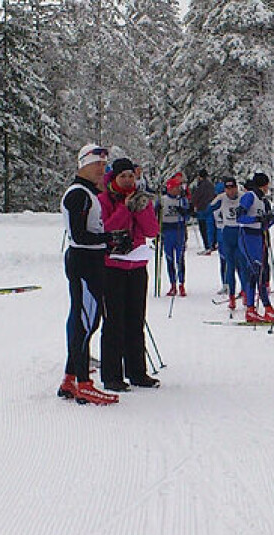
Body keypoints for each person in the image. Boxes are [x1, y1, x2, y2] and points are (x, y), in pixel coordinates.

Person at [57, 144, 119, 406]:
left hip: (90, 259)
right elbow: (80, 235)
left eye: (104, 165)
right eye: (97, 165)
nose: (102, 170)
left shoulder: (88, 193)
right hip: (83, 261)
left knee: (88, 320)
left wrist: (110, 242)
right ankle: (83, 383)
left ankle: (71, 378)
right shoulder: (78, 194)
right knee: (85, 321)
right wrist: (108, 239)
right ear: (83, 164)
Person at [97, 157, 161, 391]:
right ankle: (111, 375)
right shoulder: (103, 199)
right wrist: (126, 208)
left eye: (131, 176)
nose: (127, 180)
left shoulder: (141, 200)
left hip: (136, 266)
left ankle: (137, 372)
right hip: (112, 266)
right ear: (114, 177)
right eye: (123, 176)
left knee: (136, 320)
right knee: (114, 322)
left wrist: (141, 209)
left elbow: (152, 230)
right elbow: (107, 228)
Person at [236, 172, 274, 323]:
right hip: (247, 236)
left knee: (262, 272)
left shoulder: (263, 201)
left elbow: (265, 225)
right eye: (267, 185)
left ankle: (258, 310)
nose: (267, 188)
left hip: (259, 237)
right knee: (256, 272)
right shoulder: (249, 196)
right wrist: (257, 218)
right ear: (264, 185)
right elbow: (239, 217)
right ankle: (259, 309)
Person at [209, 176, 245, 310]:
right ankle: (231, 297)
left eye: (233, 188)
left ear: (236, 187)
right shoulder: (221, 198)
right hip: (228, 232)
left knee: (242, 265)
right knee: (230, 265)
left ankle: (245, 292)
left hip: (240, 232)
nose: (231, 191)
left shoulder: (243, 196)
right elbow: (208, 210)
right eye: (228, 189)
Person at [156, 176, 190, 296]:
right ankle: (173, 284)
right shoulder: (162, 200)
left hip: (179, 230)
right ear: (169, 188)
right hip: (167, 231)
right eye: (175, 187)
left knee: (180, 259)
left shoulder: (182, 200)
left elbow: (188, 217)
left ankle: (181, 284)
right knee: (169, 258)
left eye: (178, 187)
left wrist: (184, 212)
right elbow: (156, 216)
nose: (177, 190)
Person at [192, 169, 217, 254]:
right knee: (210, 228)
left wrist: (193, 204)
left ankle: (207, 246)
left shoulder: (201, 186)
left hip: (202, 209)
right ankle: (212, 244)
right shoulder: (210, 185)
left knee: (203, 229)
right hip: (210, 208)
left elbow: (196, 196)